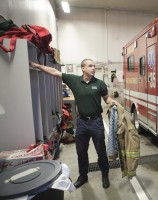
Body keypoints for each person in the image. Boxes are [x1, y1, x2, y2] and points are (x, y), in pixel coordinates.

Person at [30, 59, 117, 189]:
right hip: (82, 122)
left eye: (94, 66)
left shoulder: (100, 84)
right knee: (81, 151)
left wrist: (114, 102)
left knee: (101, 151)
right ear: (83, 68)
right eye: (90, 66)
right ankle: (83, 176)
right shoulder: (74, 80)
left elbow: (106, 98)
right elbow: (54, 72)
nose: (93, 68)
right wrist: (36, 65)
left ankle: (105, 175)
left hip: (96, 122)